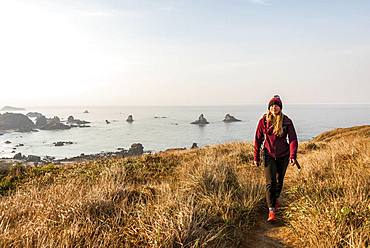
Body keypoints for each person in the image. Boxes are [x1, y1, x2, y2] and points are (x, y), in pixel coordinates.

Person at [253, 95, 298, 222]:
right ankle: (271, 210)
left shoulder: (287, 121)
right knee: (270, 182)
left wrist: (292, 155)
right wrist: (256, 157)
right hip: (268, 155)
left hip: (283, 155)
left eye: (276, 105)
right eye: (272, 105)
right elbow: (258, 139)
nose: (274, 107)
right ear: (269, 107)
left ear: (280, 107)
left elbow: (293, 139)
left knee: (279, 181)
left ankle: (275, 198)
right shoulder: (263, 121)